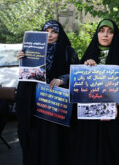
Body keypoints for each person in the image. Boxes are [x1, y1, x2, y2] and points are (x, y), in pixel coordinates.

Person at [71, 19, 119, 165]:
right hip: (91, 124)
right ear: (97, 34)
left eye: (110, 32)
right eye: (101, 31)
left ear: (115, 35)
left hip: (114, 121)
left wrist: (116, 104)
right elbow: (78, 89)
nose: (105, 35)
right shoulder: (89, 55)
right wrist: (85, 69)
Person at [16, 20, 79, 165]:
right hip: (35, 104)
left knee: (55, 141)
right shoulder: (33, 50)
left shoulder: (68, 52)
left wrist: (62, 80)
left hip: (56, 105)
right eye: (47, 31)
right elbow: (28, 76)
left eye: (54, 31)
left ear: (60, 33)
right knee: (36, 139)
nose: (50, 35)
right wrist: (22, 60)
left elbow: (76, 72)